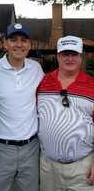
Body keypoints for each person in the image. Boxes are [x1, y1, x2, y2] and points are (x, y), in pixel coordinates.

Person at [0, 23, 44, 191]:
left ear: (29, 46)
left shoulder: (36, 69)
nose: (19, 44)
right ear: (5, 44)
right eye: (13, 40)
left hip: (31, 148)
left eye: (24, 40)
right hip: (0, 149)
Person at [37, 35, 94, 191]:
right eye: (65, 54)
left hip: (82, 168)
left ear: (81, 57)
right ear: (58, 56)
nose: (69, 58)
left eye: (74, 54)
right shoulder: (42, 82)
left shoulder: (92, 85)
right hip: (48, 167)